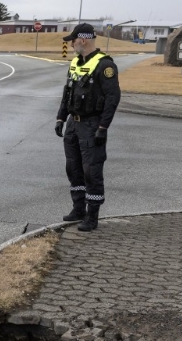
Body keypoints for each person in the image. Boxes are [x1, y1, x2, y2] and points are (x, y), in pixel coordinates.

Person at [55, 23, 121, 232]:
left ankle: (92, 216)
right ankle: (78, 209)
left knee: (91, 171)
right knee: (73, 168)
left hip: (92, 125)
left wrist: (103, 127)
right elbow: (68, 93)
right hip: (73, 124)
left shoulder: (105, 65)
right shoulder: (75, 62)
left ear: (82, 40)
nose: (72, 44)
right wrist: (60, 118)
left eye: (73, 40)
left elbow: (113, 98)